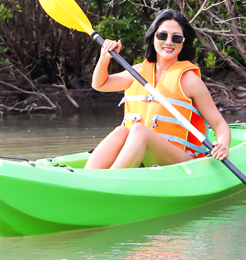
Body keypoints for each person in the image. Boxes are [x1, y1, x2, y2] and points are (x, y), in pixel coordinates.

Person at [86, 9, 231, 169]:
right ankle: (85, 178)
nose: (169, 42)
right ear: (153, 37)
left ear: (183, 42)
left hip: (180, 160)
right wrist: (104, 58)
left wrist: (223, 145)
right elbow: (100, 84)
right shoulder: (138, 71)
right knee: (122, 131)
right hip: (143, 151)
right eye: (162, 36)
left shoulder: (189, 80)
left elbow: (219, 125)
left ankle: (109, 182)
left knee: (139, 130)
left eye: (176, 38)